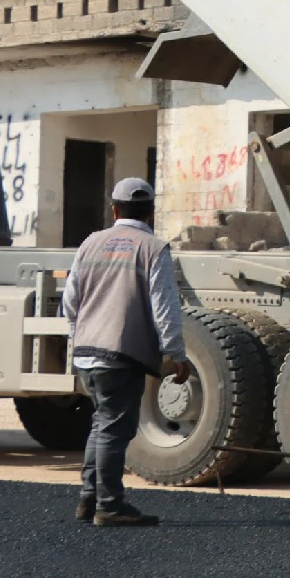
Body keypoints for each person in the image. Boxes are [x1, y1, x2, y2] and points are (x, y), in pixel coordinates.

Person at [63, 177, 189, 527]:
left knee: (101, 424)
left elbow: (69, 302)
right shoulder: (152, 248)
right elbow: (166, 307)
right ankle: (110, 504)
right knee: (114, 430)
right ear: (151, 212)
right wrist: (176, 353)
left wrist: (79, 339)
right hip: (121, 356)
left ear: (114, 209)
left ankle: (89, 498)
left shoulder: (90, 243)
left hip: (88, 352)